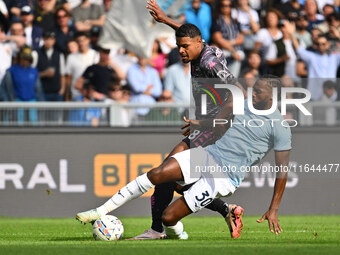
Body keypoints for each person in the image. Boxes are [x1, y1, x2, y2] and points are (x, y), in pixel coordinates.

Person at [76, 75, 291, 239]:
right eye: (254, 89)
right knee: (158, 173)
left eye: (259, 92)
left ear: (272, 96)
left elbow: (282, 170)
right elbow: (220, 123)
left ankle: (187, 230)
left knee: (168, 218)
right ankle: (100, 210)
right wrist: (199, 124)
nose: (253, 93)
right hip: (209, 155)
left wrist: (273, 209)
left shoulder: (279, 126)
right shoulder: (243, 104)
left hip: (224, 177)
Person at [102, 0, 244, 240]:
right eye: (179, 46)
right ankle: (164, 228)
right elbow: (190, 35)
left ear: (198, 44)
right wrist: (166, 20)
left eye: (184, 46)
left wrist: (210, 122)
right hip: (204, 128)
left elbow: (239, 93)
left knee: (166, 176)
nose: (180, 51)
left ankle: (160, 228)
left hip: (219, 132)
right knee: (166, 175)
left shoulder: (211, 62)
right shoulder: (202, 46)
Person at [210, 0, 244, 77]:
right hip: (224, 53)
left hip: (237, 52)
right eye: (223, 5)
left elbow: (241, 39)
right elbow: (218, 39)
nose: (226, 8)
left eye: (229, 6)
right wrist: (233, 51)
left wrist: (230, 43)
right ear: (219, 7)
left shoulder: (235, 21)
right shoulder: (217, 21)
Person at [65, 32, 99, 100]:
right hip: (76, 95)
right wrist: (67, 95)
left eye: (83, 40)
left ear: (88, 40)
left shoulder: (96, 55)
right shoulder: (71, 57)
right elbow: (69, 78)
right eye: (78, 41)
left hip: (91, 95)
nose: (81, 43)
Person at [36, 31, 66, 102]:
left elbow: (62, 74)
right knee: (42, 113)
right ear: (43, 40)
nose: (48, 42)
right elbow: (31, 74)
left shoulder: (59, 55)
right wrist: (44, 74)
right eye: (46, 39)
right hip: (42, 92)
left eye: (51, 39)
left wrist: (62, 90)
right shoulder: (37, 53)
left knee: (58, 113)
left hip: (56, 92)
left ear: (54, 41)